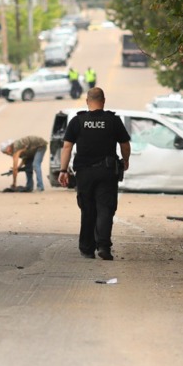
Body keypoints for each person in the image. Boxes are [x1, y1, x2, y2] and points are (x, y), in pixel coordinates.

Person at [58, 87, 131, 260]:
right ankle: (104, 247)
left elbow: (67, 146)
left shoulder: (78, 121)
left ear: (87, 101)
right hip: (107, 171)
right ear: (103, 101)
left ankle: (87, 249)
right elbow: (125, 143)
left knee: (87, 209)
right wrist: (125, 160)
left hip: (84, 173)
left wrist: (63, 170)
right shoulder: (112, 120)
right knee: (105, 209)